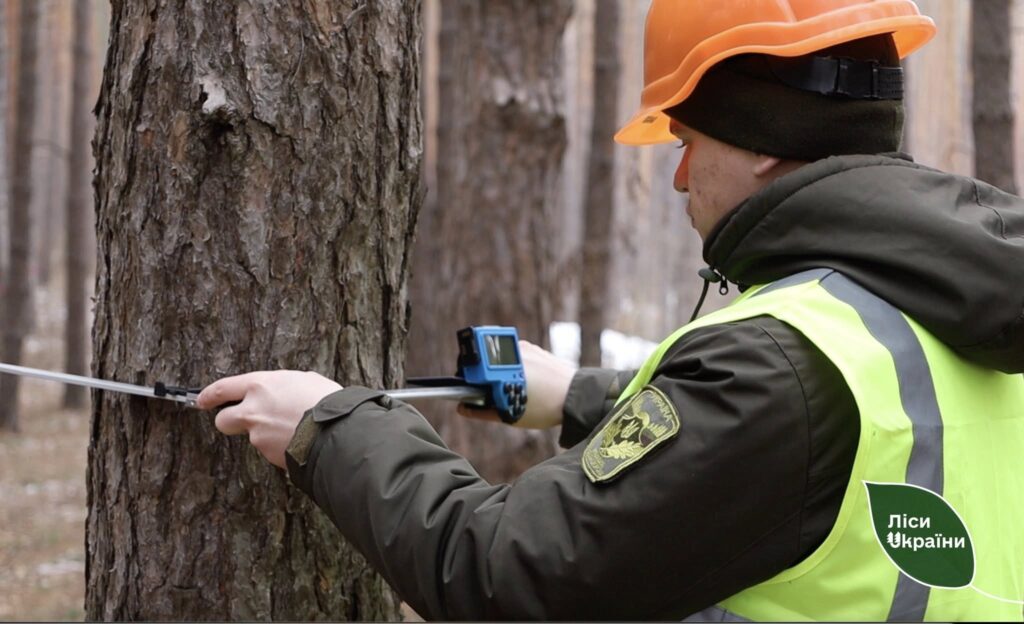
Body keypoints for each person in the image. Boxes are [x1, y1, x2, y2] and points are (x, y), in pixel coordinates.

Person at [199, 0, 1024, 620]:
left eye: (687, 143)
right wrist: (580, 396)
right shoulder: (955, 305)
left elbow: (510, 571)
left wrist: (331, 430)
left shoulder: (780, 367)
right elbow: (794, 450)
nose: (679, 178)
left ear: (763, 140)